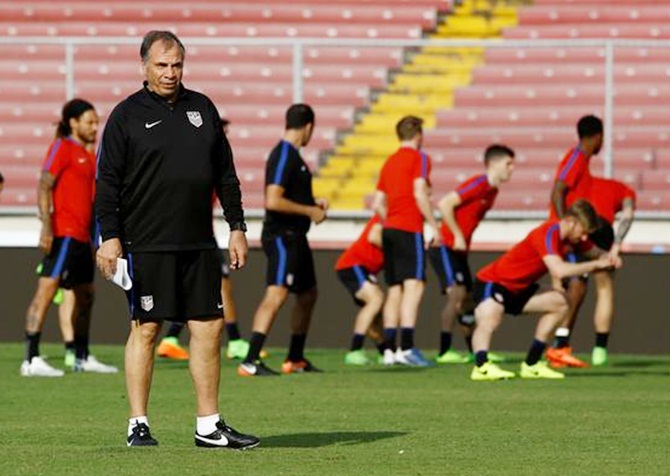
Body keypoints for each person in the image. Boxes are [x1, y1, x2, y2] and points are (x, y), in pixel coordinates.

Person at [95, 30, 258, 449]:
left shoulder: (201, 107)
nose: (170, 73)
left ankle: (209, 425)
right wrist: (110, 237)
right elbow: (107, 183)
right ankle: (138, 424)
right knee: (147, 328)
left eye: (177, 65)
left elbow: (226, 173)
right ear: (144, 66)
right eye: (162, 65)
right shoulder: (126, 115)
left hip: (199, 242)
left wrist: (237, 227)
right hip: (146, 242)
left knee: (208, 326)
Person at [469, 200, 621, 381]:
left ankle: (532, 364)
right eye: (583, 232)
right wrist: (596, 265)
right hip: (493, 282)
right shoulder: (548, 233)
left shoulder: (574, 240)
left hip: (520, 288)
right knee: (491, 317)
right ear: (571, 221)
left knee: (560, 303)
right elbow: (559, 270)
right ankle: (481, 366)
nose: (583, 238)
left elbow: (596, 252)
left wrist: (610, 257)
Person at [21, 98, 117, 377]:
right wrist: (47, 227)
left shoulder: (88, 155)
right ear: (73, 123)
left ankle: (81, 356)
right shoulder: (62, 148)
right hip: (63, 234)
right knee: (46, 292)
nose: (95, 126)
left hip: (83, 238)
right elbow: (43, 185)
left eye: (96, 122)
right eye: (90, 122)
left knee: (86, 295)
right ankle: (31, 358)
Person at [155, 117, 257, 361]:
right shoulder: (203, 161)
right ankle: (234, 341)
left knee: (194, 291)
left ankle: (170, 338)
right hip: (197, 236)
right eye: (223, 132)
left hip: (192, 233)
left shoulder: (198, 159)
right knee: (221, 287)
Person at [238, 103, 326, 377]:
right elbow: (273, 199)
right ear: (309, 127)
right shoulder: (284, 155)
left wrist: (313, 203)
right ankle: (250, 360)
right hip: (282, 236)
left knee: (308, 294)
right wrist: (310, 211)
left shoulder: (294, 158)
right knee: (277, 293)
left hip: (297, 236)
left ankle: (295, 358)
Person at [431, 144, 515, 364]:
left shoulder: (492, 191)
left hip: (458, 250)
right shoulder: (479, 183)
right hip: (445, 246)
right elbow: (445, 204)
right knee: (456, 295)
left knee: (468, 300)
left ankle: (474, 350)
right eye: (508, 163)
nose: (512, 169)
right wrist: (457, 235)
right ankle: (444, 350)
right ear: (493, 164)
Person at [371, 116, 441, 367]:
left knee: (395, 289)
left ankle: (389, 349)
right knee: (415, 286)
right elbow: (420, 192)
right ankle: (407, 346)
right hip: (409, 228)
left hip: (389, 228)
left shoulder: (389, 162)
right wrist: (434, 225)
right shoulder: (420, 158)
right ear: (418, 135)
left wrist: (390, 219)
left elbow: (378, 203)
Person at [547, 177, 636, 368]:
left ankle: (560, 344)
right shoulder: (624, 190)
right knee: (604, 290)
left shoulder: (575, 181)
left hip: (578, 228)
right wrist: (615, 248)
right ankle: (599, 350)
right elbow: (627, 215)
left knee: (569, 288)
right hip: (601, 229)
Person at [335, 215, 388, 365]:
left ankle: (385, 352)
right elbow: (374, 237)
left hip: (365, 269)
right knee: (375, 300)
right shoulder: (387, 213)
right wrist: (398, 250)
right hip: (354, 264)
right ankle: (355, 349)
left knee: (376, 311)